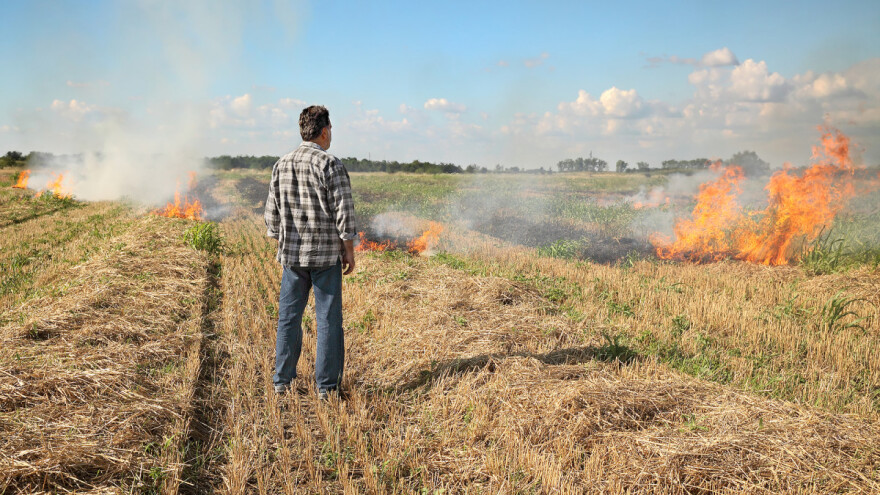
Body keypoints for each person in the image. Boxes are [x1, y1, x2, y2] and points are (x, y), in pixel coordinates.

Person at [264, 105, 357, 399]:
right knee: (328, 321)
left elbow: (271, 217)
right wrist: (349, 250)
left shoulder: (281, 164)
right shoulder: (330, 165)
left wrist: (283, 240)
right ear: (325, 131)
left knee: (288, 318)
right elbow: (344, 214)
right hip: (325, 258)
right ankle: (326, 388)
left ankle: (282, 382)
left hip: (292, 258)